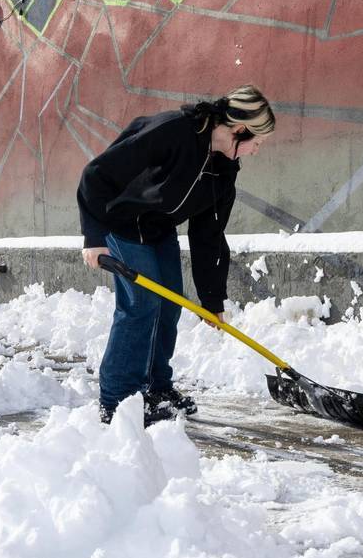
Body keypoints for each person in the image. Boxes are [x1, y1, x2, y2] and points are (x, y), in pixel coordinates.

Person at [79, 85, 275, 425]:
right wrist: (93, 236)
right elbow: (97, 174)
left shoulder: (224, 168)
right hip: (121, 221)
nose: (256, 151)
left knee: (169, 304)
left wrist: (212, 300)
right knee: (141, 305)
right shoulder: (174, 131)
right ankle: (117, 401)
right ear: (240, 130)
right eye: (257, 142)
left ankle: (156, 388)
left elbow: (209, 234)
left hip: (158, 228)